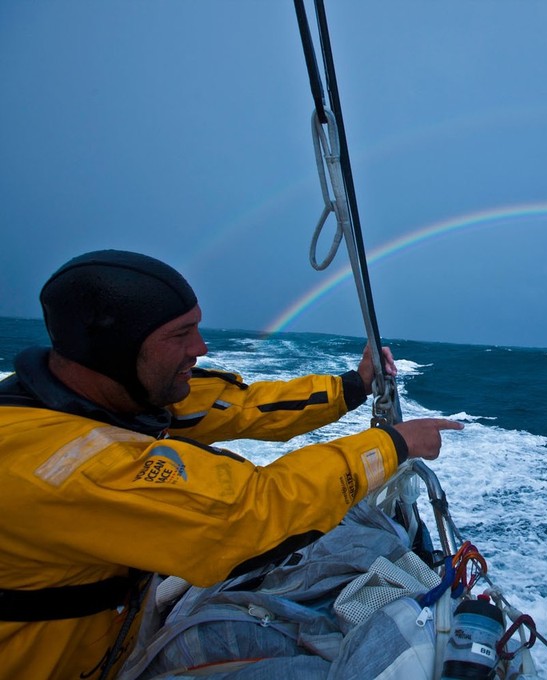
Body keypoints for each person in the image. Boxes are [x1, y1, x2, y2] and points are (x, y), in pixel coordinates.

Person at [0, 249, 463, 680]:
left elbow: (243, 405)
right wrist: (392, 445)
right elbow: (250, 514)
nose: (200, 347)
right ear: (113, 350)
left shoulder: (108, 394)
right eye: (180, 334)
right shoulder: (58, 465)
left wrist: (354, 387)